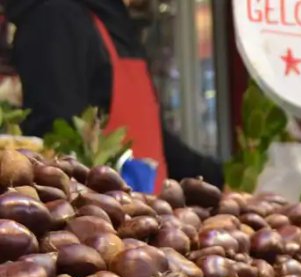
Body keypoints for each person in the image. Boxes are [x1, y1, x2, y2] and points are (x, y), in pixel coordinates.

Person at [9, 0, 223, 191]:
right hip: (99, 225)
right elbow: (57, 145)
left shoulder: (113, 22)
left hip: (145, 216)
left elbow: (148, 133)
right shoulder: (57, 19)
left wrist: (218, 177)